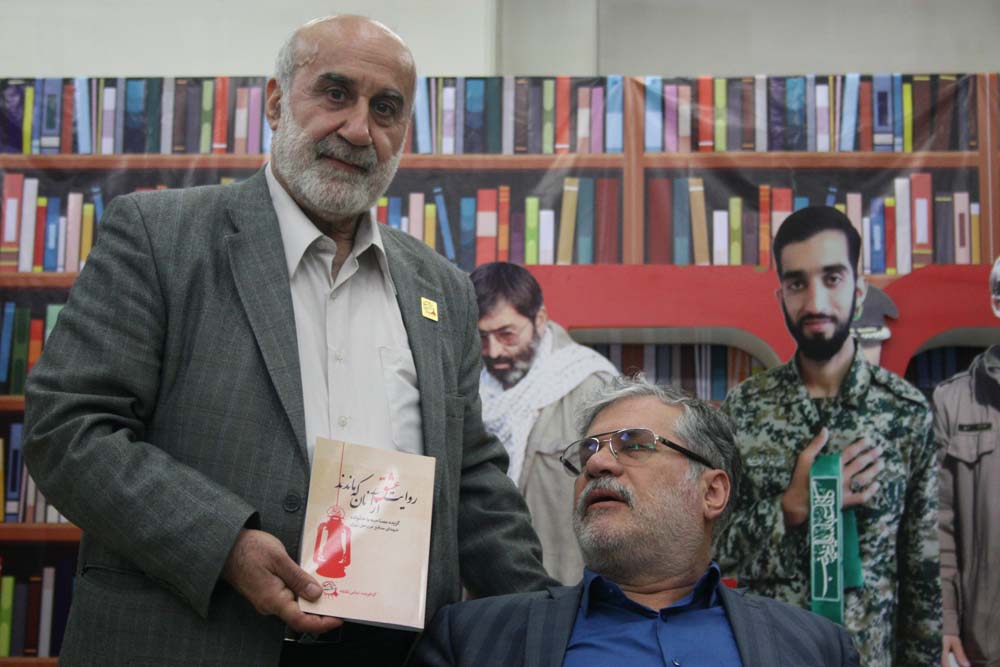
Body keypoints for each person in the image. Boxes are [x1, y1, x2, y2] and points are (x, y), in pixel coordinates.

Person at [22, 15, 555, 667]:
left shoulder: (442, 288)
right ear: (276, 101)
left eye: (385, 109)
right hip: (197, 639)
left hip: (393, 653)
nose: (357, 129)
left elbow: (469, 477)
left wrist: (551, 623)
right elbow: (67, 426)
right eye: (335, 93)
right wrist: (225, 544)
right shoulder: (161, 237)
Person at [413, 376, 859, 666]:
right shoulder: (471, 640)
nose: (597, 464)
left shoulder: (818, 649)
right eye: (587, 451)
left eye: (635, 444)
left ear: (712, 492)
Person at [718, 206, 941, 666]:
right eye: (797, 283)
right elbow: (713, 551)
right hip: (772, 655)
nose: (815, 302)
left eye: (833, 278)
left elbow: (922, 577)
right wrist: (790, 508)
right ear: (780, 294)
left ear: (859, 289)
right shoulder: (745, 409)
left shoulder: (906, 413)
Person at [470, 261, 618, 584]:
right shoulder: (464, 385)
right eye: (481, 337)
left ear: (539, 320)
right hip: (480, 592)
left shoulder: (593, 388)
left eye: (507, 335)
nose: (493, 351)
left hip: (561, 590)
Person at [936, 256, 1000, 667]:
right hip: (983, 644)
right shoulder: (954, 401)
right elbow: (939, 526)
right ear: (996, 302)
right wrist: (946, 622)